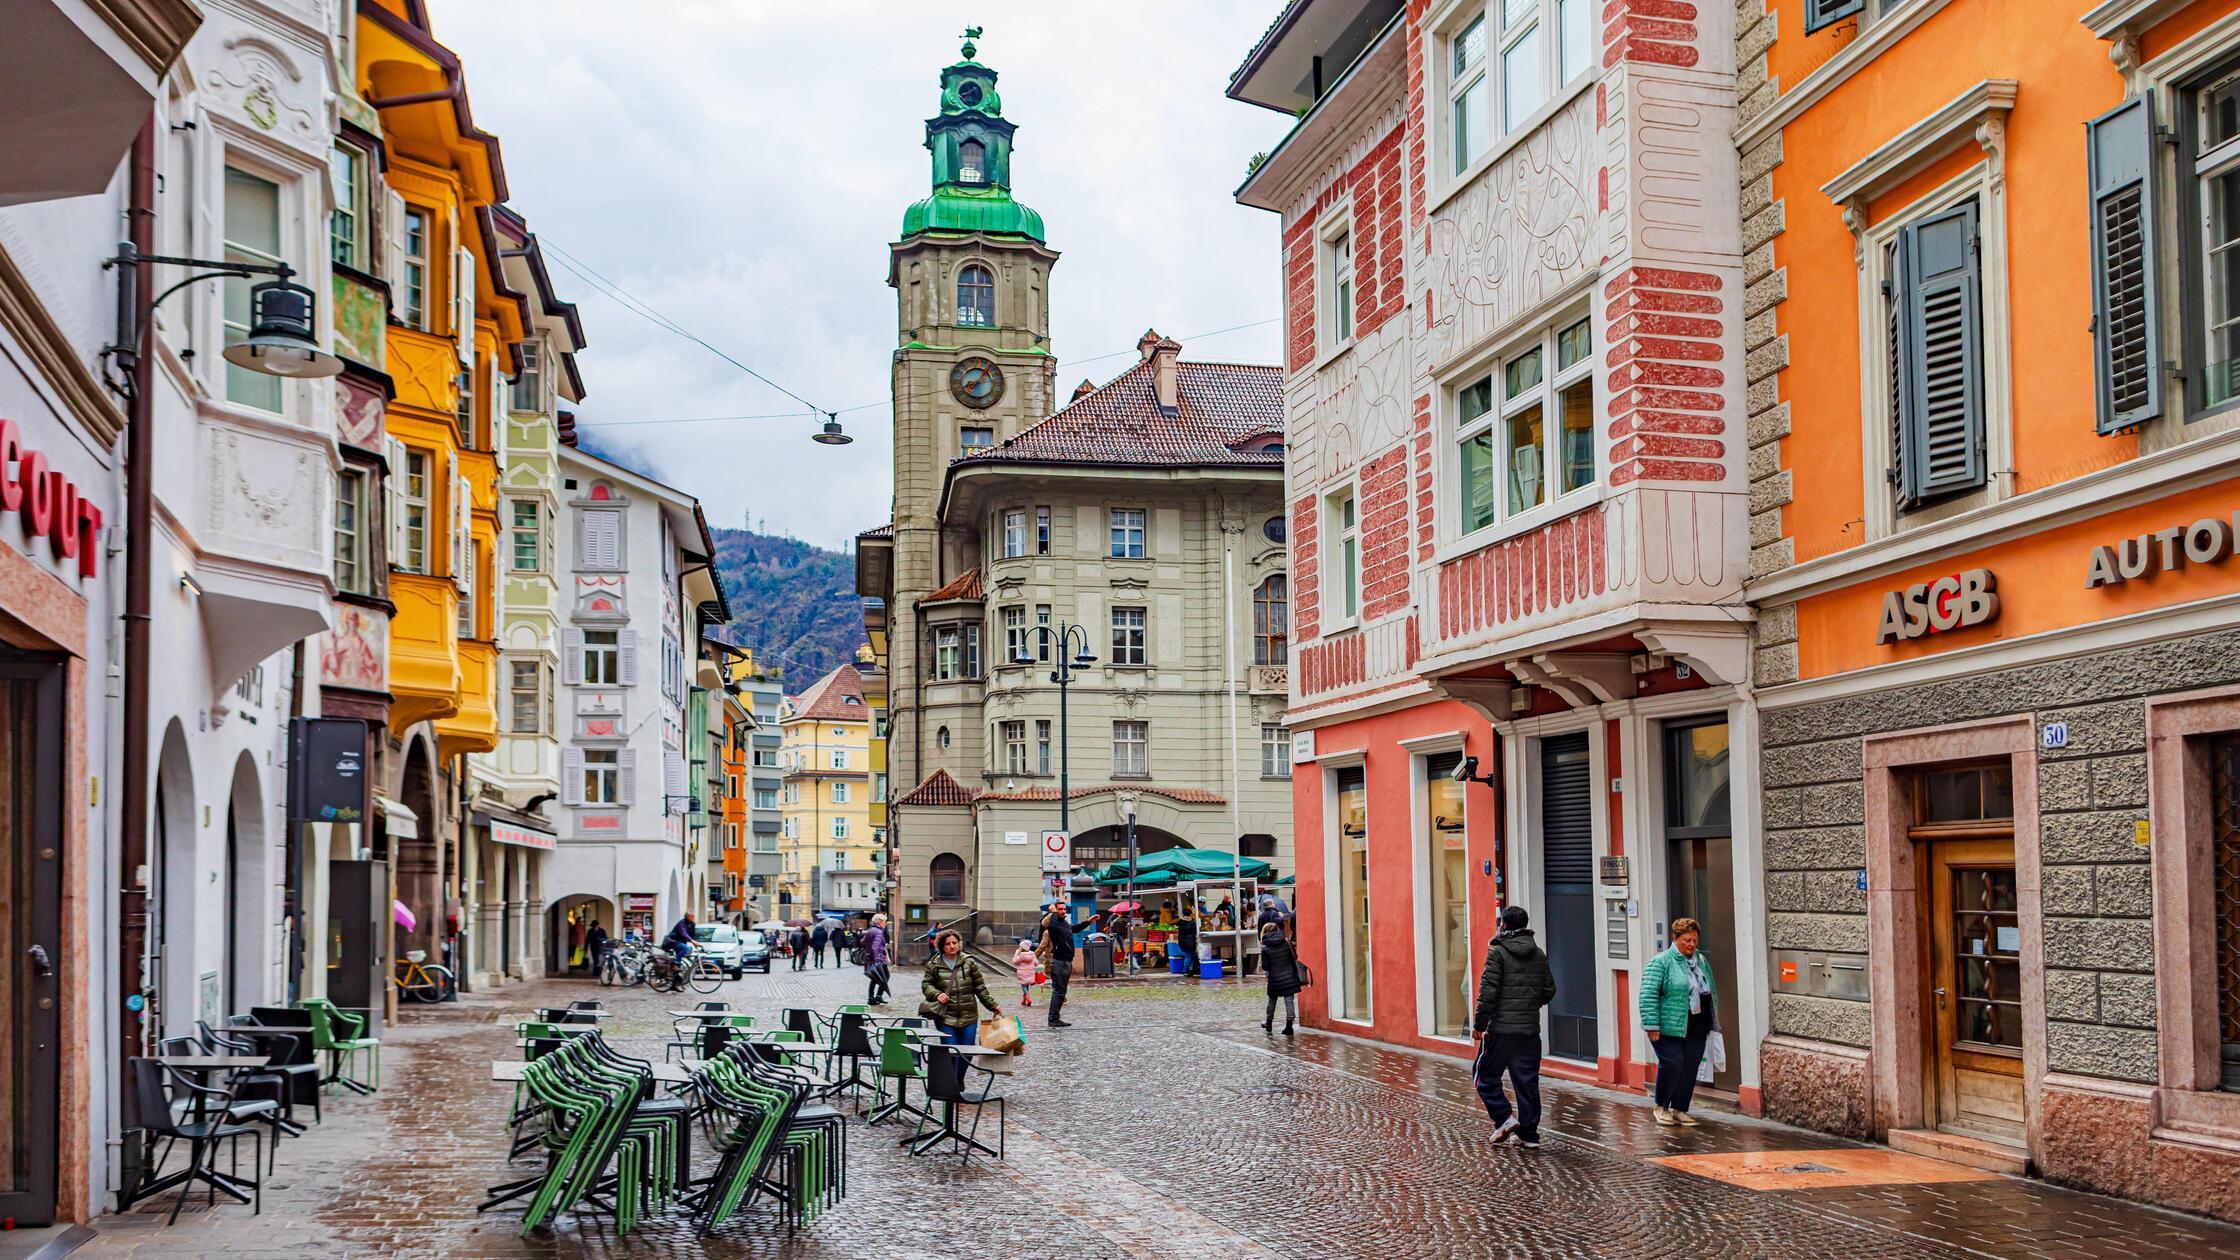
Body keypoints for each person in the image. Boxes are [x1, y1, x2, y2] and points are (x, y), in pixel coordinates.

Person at [1473, 905, 1558, 1148]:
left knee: (1484, 1077)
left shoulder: (1497, 952)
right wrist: (1529, 1007)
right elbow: (1549, 990)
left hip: (1500, 1030)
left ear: (1503, 925)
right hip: (1529, 1031)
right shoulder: (1538, 953)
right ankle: (1529, 1135)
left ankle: (1503, 1118)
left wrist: (1480, 1023)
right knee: (1527, 1081)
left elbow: (1488, 991)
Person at [1641, 916, 1717, 1127]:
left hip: (1696, 1023)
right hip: (1669, 1025)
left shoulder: (1700, 961)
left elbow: (1711, 990)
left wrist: (1713, 1020)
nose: (1692, 944)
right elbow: (1648, 994)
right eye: (1687, 940)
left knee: (1690, 1065)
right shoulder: (1661, 962)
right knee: (1673, 1062)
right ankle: (1661, 1106)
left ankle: (1680, 1108)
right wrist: (1652, 1025)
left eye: (1694, 940)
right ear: (1675, 939)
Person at [923, 929, 1001, 1085]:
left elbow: (980, 987)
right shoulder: (934, 964)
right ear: (941, 946)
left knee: (968, 1051)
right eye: (948, 944)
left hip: (968, 1015)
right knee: (951, 1050)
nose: (952, 946)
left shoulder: (969, 962)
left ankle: (959, 1077)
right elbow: (926, 985)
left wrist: (993, 1006)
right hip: (945, 1016)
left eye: (954, 943)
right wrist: (937, 994)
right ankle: (951, 1081)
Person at [1259, 917, 1304, 1036]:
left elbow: (1266, 967)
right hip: (1289, 976)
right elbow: (1295, 956)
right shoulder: (1286, 942)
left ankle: (1269, 1023)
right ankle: (1289, 1026)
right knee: (1289, 1001)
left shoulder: (1265, 948)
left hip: (1275, 979)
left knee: (1272, 1000)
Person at [1039, 901, 1077, 1027]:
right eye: (1060, 909)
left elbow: (1074, 928)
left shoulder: (1064, 923)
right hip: (1060, 962)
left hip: (1066, 961)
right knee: (1059, 991)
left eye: (1064, 909)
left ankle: (1054, 1018)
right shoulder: (1053, 924)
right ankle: (1053, 1018)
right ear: (1055, 911)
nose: (1063, 911)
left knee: (1061, 991)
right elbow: (1050, 924)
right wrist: (1053, 912)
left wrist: (1089, 922)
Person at [863, 913, 891, 1005]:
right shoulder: (878, 932)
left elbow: (862, 942)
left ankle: (871, 998)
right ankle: (878, 996)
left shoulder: (870, 930)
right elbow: (875, 947)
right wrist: (877, 960)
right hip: (878, 959)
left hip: (870, 958)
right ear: (879, 922)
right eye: (884, 922)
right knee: (885, 976)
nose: (885, 924)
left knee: (874, 978)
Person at [1011, 938, 1039, 1007]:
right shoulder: (1032, 954)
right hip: (1030, 973)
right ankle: (1024, 1000)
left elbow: (1014, 961)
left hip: (1022, 973)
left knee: (1023, 985)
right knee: (1027, 984)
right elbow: (1036, 963)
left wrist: (1017, 952)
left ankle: (1027, 997)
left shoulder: (1020, 955)